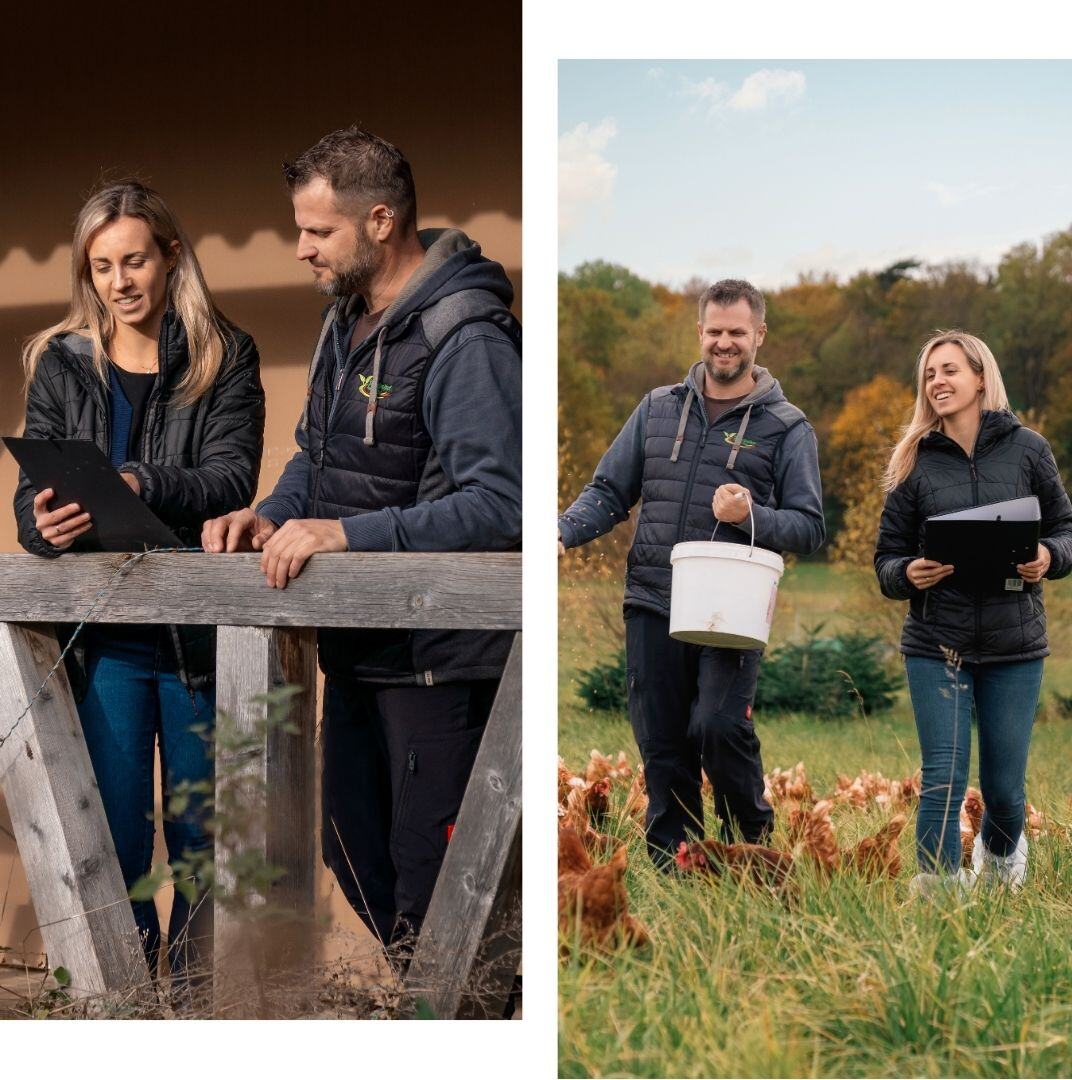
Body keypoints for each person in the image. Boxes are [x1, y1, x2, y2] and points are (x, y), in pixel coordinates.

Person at [201, 127, 522, 952]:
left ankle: (462, 1020)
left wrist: (348, 533)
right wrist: (271, 513)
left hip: (438, 661)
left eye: (318, 231)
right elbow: (318, 455)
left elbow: (501, 504)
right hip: (357, 650)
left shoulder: (467, 336)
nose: (300, 248)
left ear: (380, 220)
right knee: (349, 851)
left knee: (433, 879)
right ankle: (438, 1005)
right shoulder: (343, 321)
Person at [13, 182, 265, 982]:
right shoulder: (60, 361)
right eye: (101, 267)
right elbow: (34, 493)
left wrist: (139, 483)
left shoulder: (226, 352)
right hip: (106, 636)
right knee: (115, 836)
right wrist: (39, 526)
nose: (119, 282)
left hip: (196, 632)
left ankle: (198, 1011)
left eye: (134, 261)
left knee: (202, 842)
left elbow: (231, 476)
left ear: (170, 257)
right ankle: (123, 1012)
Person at [559, 280, 825, 863]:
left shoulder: (786, 425)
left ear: (759, 335)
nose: (724, 343)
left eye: (736, 332)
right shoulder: (657, 408)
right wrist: (561, 532)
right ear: (699, 333)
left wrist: (751, 513)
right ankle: (675, 864)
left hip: (729, 606)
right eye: (714, 331)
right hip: (653, 597)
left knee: (717, 726)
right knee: (662, 743)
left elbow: (809, 526)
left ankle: (749, 845)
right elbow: (608, 491)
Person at [874, 330, 1072, 892]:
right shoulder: (912, 460)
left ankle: (999, 867)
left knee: (1006, 789)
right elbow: (887, 560)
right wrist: (908, 573)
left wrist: (1046, 556)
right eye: (930, 374)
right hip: (936, 641)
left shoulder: (1029, 450)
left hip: (1015, 646)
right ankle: (937, 894)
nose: (937, 382)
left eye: (949, 371)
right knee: (942, 778)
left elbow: (1068, 533)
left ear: (981, 378)